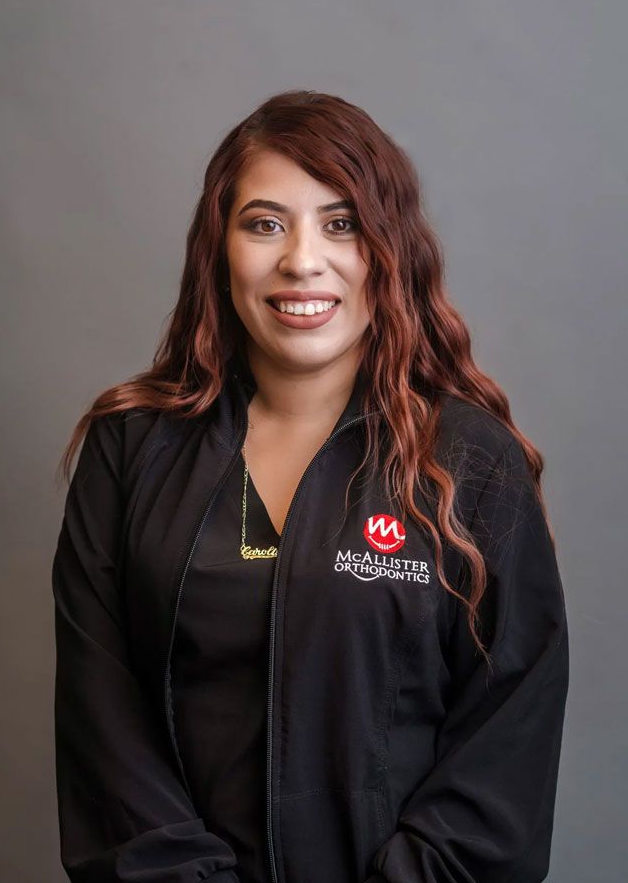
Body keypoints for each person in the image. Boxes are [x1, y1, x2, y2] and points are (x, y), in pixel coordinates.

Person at [52, 89, 569, 883]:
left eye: (342, 223)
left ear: (389, 249)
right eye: (264, 224)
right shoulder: (130, 451)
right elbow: (105, 730)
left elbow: (506, 752)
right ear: (219, 250)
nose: (301, 259)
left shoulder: (472, 464)